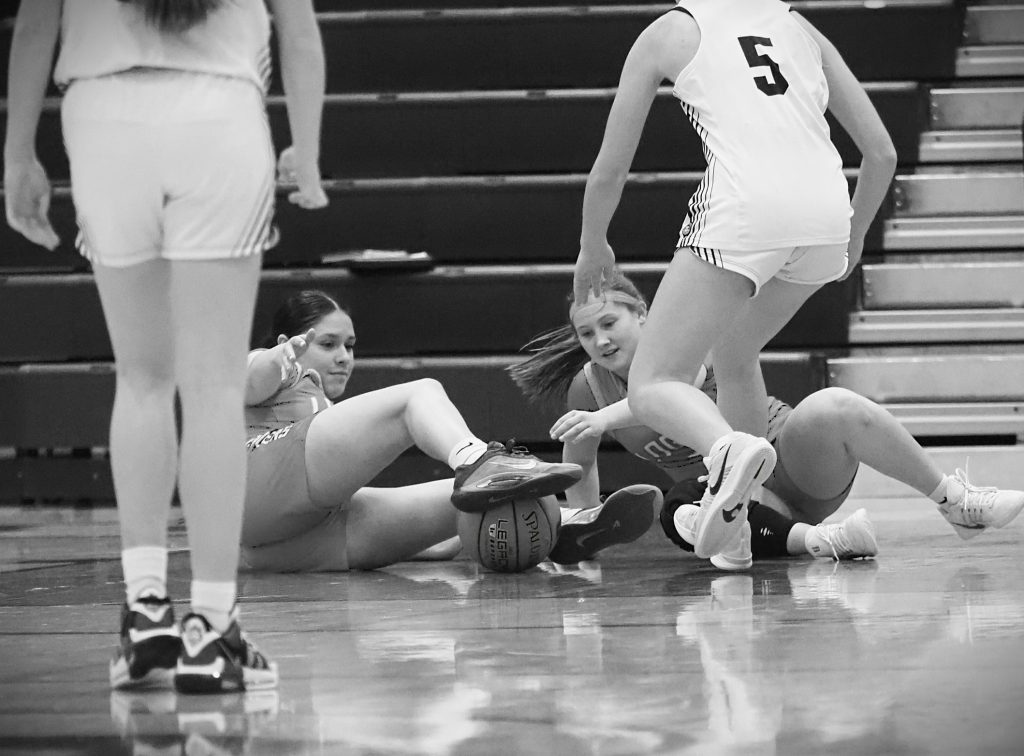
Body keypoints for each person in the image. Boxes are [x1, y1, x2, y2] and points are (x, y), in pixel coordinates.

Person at [5, 0, 329, 693]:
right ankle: (212, 630)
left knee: (142, 379)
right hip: (216, 109)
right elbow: (298, 29)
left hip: (102, 113)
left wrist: (18, 153)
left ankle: (146, 613)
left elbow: (35, 22)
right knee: (211, 385)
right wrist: (306, 150)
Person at [572, 0, 898, 559]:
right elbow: (881, 151)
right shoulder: (797, 24)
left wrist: (592, 241)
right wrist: (857, 232)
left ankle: (725, 447)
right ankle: (744, 520)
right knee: (735, 351)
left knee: (651, 381)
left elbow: (611, 166)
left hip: (747, 203)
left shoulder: (671, 30)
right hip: (826, 211)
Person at [508, 271, 1024, 569]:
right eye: (586, 334)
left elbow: (664, 395)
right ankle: (824, 541)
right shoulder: (590, 386)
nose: (600, 341)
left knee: (835, 405)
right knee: (683, 508)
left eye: (609, 323)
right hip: (743, 500)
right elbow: (580, 455)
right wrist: (585, 523)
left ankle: (954, 502)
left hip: (793, 461)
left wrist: (601, 420)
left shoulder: (680, 346)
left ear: (643, 315)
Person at [239, 289, 607, 573]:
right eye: (328, 344)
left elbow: (439, 547)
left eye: (349, 346)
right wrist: (277, 358)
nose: (343, 357)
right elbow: (253, 378)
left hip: (288, 543)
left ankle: (570, 523)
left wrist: (436, 536)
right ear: (289, 341)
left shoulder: (325, 419)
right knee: (417, 396)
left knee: (481, 502)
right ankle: (479, 460)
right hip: (251, 483)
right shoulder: (281, 369)